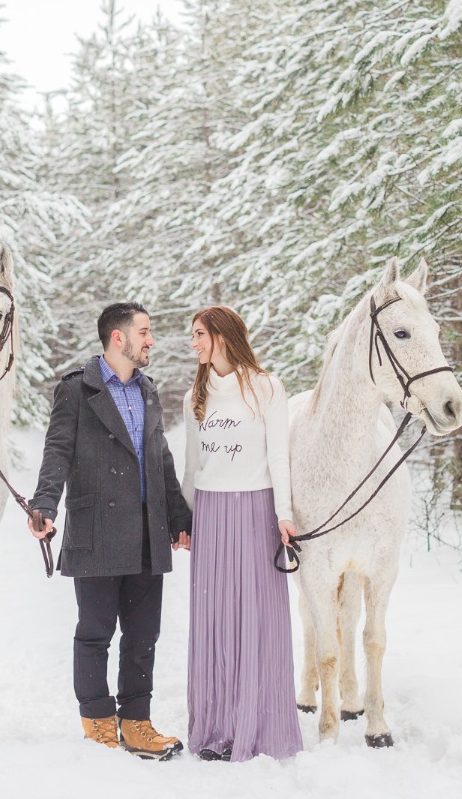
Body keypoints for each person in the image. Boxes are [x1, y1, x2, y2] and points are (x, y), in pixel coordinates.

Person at [28, 301, 193, 760]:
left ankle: (137, 724)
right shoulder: (78, 390)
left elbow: (160, 459)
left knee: (143, 635)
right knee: (96, 631)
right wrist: (43, 505)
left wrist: (179, 517)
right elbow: (57, 450)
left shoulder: (148, 390)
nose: (151, 340)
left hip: (148, 529)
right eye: (144, 331)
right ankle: (98, 723)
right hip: (98, 526)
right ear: (118, 337)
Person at [182, 305, 303, 762]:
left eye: (198, 334)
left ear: (222, 335)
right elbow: (193, 465)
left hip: (256, 509)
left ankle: (260, 726)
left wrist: (284, 514)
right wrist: (186, 518)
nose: (193, 343)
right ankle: (216, 729)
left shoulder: (267, 387)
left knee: (257, 619)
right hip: (210, 514)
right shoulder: (197, 393)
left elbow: (279, 455)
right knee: (214, 622)